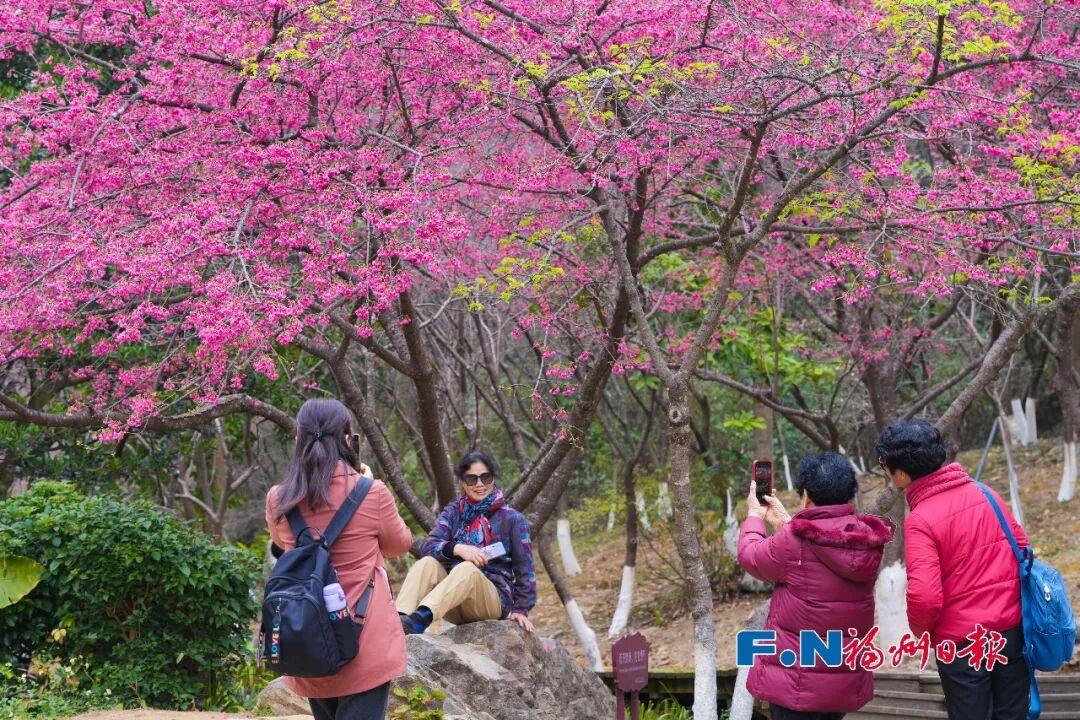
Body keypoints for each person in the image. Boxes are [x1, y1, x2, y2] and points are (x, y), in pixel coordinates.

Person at [265, 398, 413, 720]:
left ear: (298, 440)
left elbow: (282, 542)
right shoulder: (371, 492)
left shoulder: (279, 498)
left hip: (307, 640)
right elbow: (400, 544)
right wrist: (364, 481)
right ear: (348, 440)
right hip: (364, 644)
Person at [876, 419, 1029, 720]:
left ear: (902, 474)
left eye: (886, 467)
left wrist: (921, 631)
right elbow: (1022, 551)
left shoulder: (921, 519)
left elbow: (925, 598)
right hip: (1011, 635)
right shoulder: (986, 493)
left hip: (963, 646)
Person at [738, 452, 895, 720]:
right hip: (841, 681)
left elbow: (751, 556)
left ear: (806, 495)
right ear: (849, 493)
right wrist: (789, 523)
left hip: (795, 682)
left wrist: (754, 515)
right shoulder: (864, 537)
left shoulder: (794, 542)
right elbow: (820, 548)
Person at [396, 450, 537, 634]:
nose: (480, 484)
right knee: (426, 563)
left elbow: (525, 570)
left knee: (467, 569)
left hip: (492, 601)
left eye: (485, 477)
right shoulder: (455, 512)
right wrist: (457, 548)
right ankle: (398, 620)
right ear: (463, 482)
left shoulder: (512, 519)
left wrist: (521, 609)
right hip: (454, 600)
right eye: (472, 479)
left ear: (492, 479)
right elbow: (427, 546)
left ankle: (419, 619)